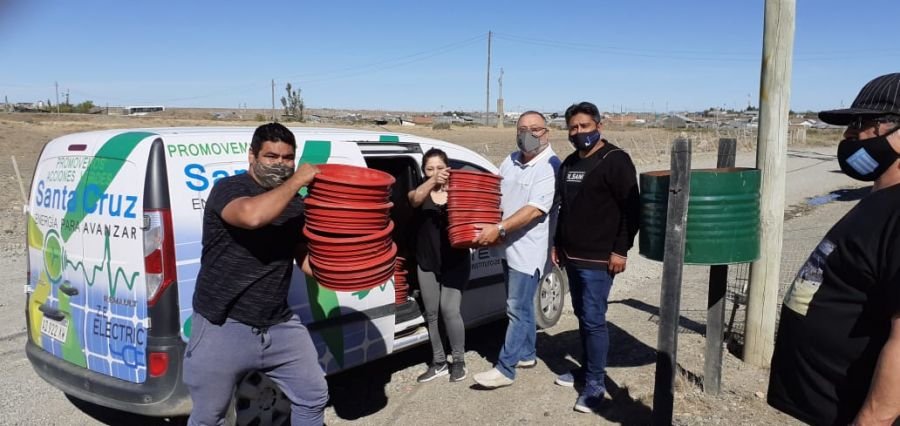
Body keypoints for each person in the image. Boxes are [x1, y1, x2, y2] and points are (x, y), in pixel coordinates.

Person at [768, 73, 900, 425]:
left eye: (861, 124)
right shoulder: (882, 200)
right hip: (830, 408)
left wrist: (873, 418)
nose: (847, 136)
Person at [183, 123, 328, 425]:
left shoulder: (295, 204)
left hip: (278, 324)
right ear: (252, 156)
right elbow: (251, 217)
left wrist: (347, 271)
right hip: (223, 324)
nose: (280, 164)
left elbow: (303, 258)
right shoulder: (230, 189)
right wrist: (298, 179)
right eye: (271, 156)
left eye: (288, 158)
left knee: (313, 395)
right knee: (210, 416)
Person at [551, 101, 640, 413]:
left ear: (598, 126)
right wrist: (556, 244)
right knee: (582, 317)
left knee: (593, 319)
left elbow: (632, 211)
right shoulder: (570, 163)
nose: (578, 132)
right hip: (571, 256)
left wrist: (620, 249)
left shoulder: (615, 161)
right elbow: (562, 208)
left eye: (584, 126)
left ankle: (595, 384)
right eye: (573, 128)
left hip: (600, 259)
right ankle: (587, 369)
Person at [472, 111, 560, 389]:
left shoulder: (550, 165)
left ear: (546, 132)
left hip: (528, 250)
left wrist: (498, 229)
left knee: (516, 308)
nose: (529, 134)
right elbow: (494, 192)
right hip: (506, 247)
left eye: (535, 129)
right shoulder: (510, 160)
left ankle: (505, 369)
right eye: (522, 128)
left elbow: (534, 210)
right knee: (521, 305)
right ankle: (527, 354)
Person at [408, 148, 472, 383]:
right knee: (432, 314)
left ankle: (459, 361)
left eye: (440, 168)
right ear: (424, 172)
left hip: (456, 261)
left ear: (449, 169)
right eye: (429, 168)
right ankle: (438, 363)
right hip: (427, 261)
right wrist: (432, 181)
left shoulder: (459, 192)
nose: (435, 172)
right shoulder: (420, 192)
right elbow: (414, 200)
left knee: (450, 310)